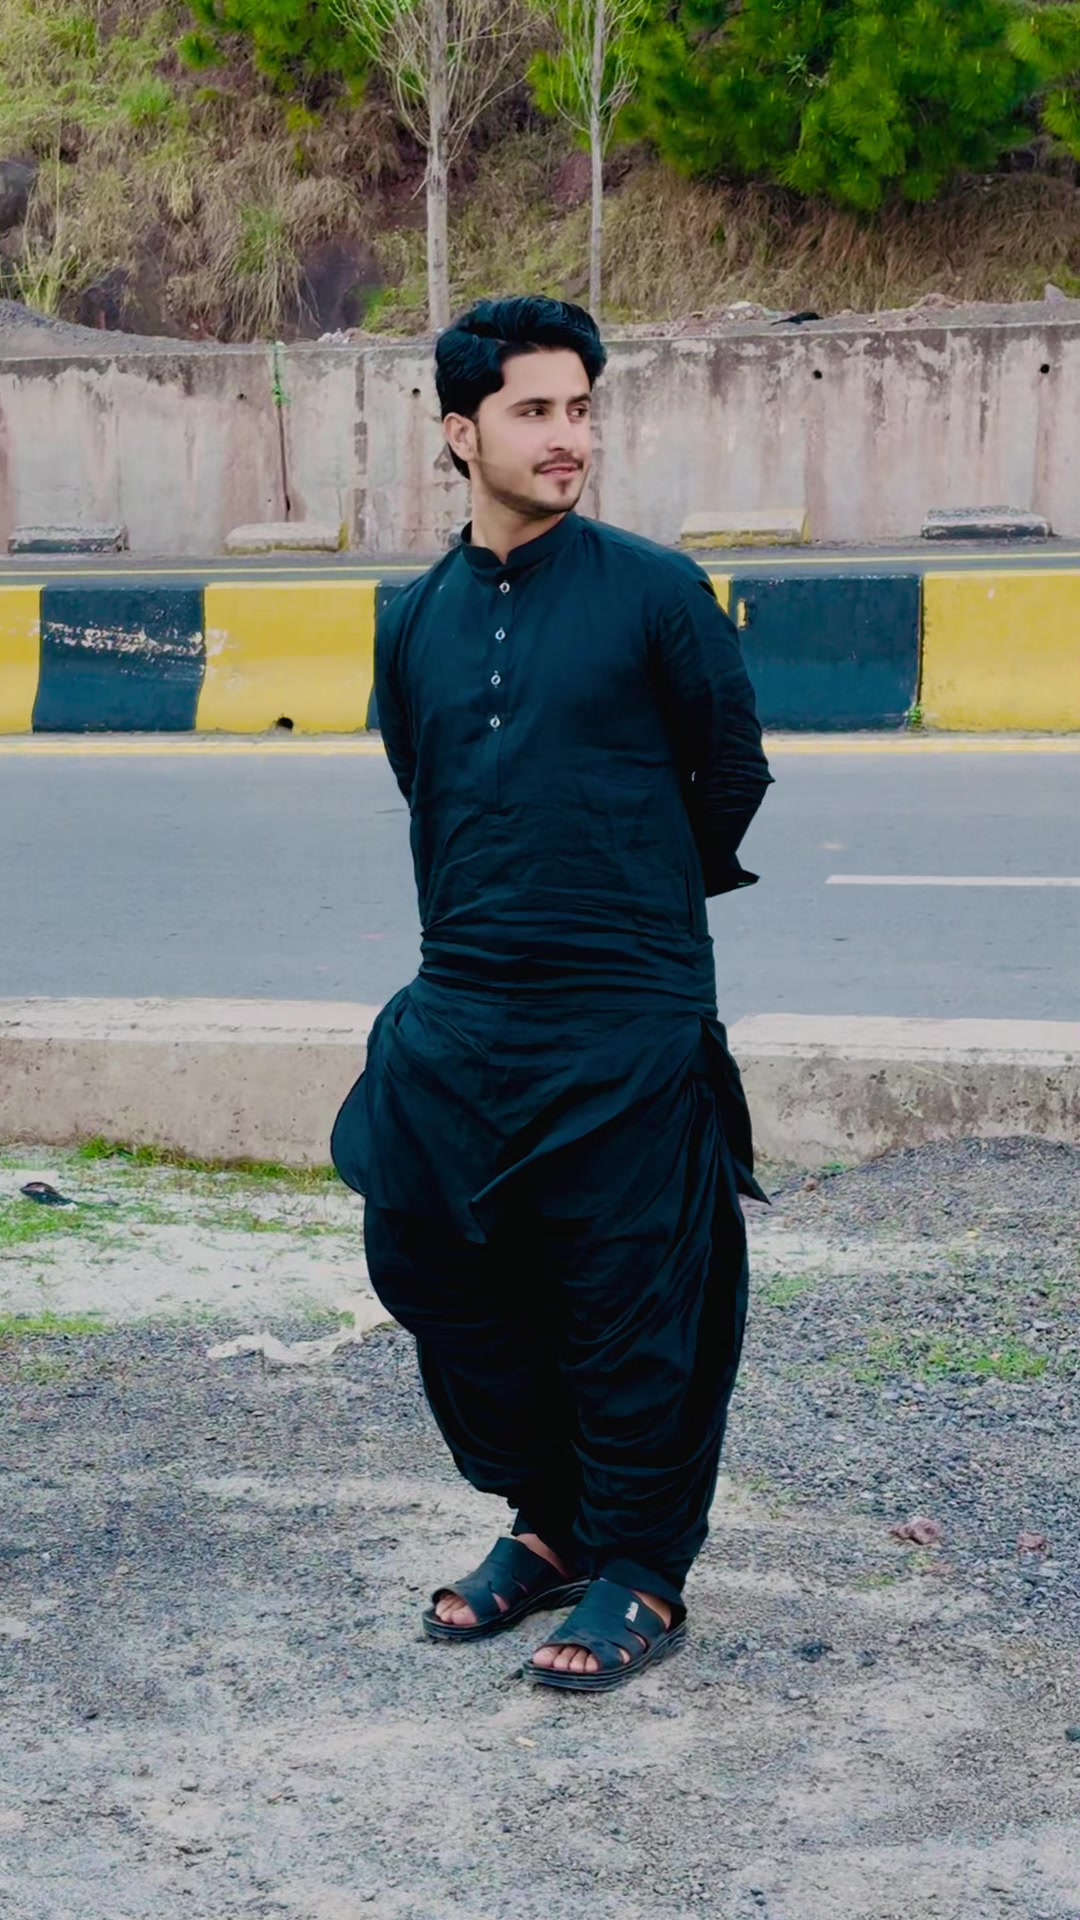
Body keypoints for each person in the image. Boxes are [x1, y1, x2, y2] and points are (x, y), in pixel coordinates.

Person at [332, 295, 772, 1693]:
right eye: (534, 410)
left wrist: (628, 907)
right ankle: (553, 1517)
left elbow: (730, 771)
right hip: (466, 1001)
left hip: (626, 1009)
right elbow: (431, 782)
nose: (567, 435)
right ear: (461, 432)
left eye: (581, 407)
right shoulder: (415, 618)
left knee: (631, 1299)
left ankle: (641, 1563)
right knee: (434, 1258)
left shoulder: (654, 592)